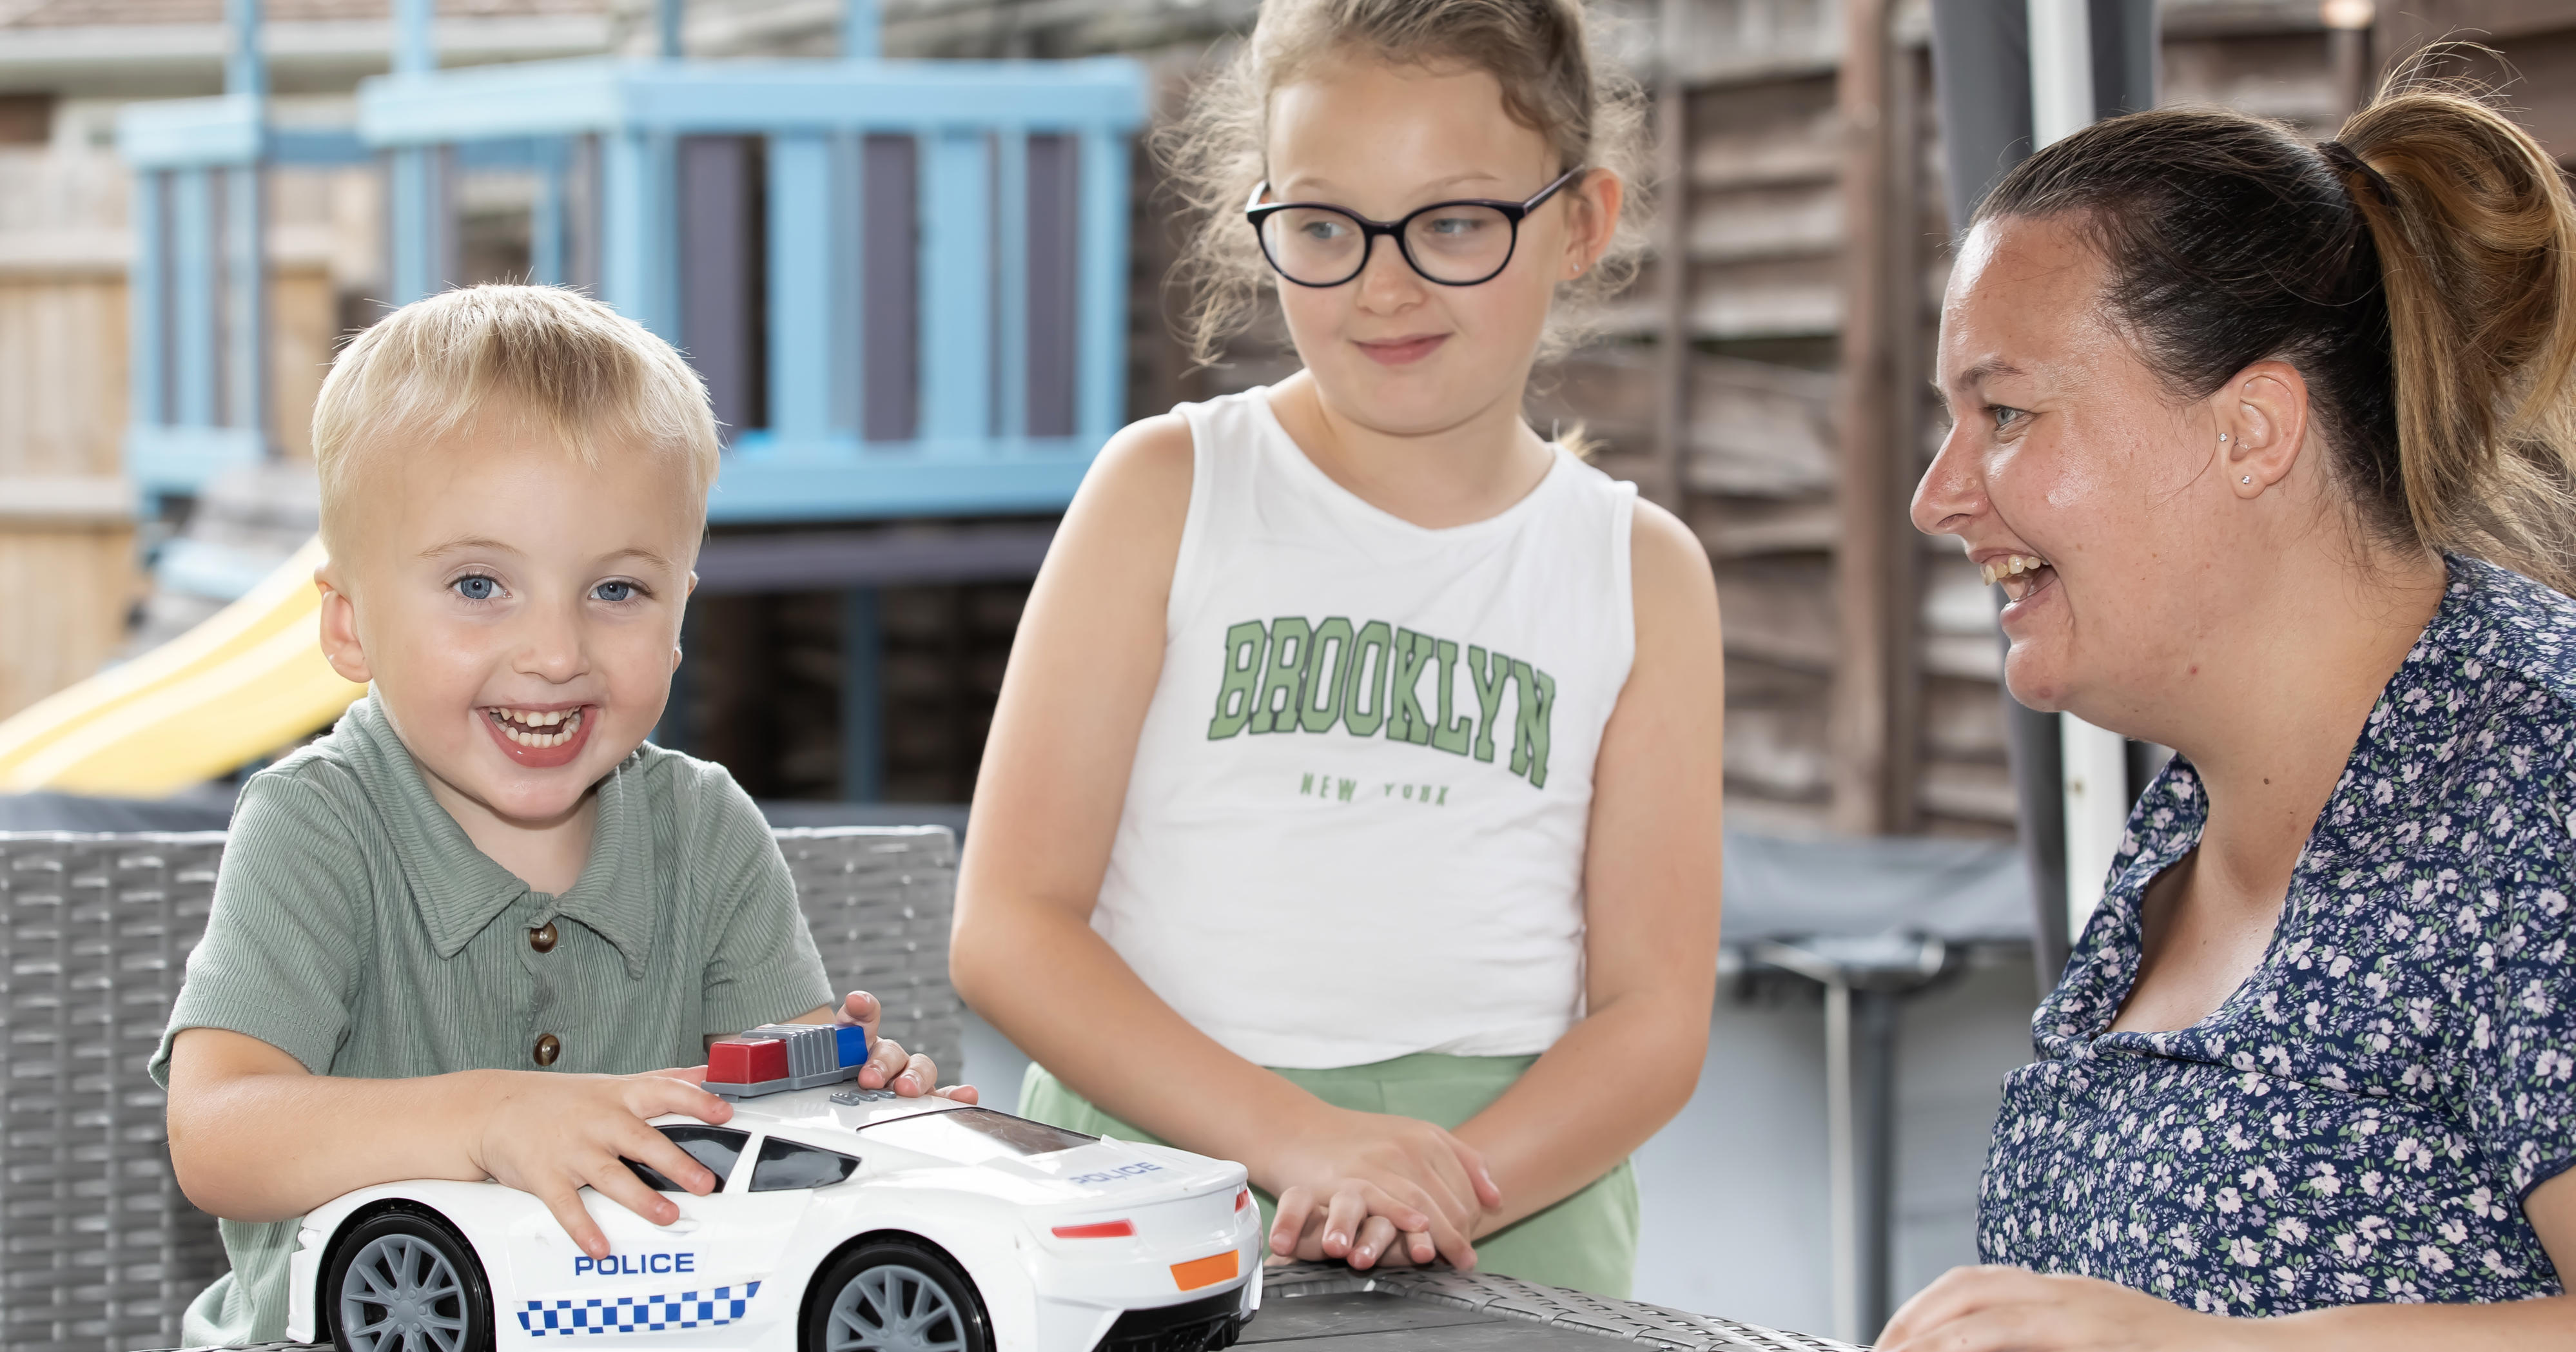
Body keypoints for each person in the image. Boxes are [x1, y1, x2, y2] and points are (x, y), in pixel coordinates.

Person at [946, 0, 1725, 1300]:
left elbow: (1653, 1017)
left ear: (1581, 221)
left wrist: (1427, 1192)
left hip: (1505, 1210)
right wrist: (1303, 1143)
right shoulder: (1165, 489)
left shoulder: (1642, 571)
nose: (1384, 281)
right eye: (1323, 224)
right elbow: (1011, 926)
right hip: (1152, 1181)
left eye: (1457, 221)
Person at [1877, 81, 2576, 1350]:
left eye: (2008, 413)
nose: (1938, 495)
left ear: (2253, 430)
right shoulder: (2193, 813)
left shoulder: (2541, 773)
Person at [154, 285, 965, 1347]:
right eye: (481, 584)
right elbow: (217, 1136)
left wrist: (856, 1096)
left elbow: (772, 1116)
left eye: (617, 591)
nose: (555, 651)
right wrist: (488, 1115)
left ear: (682, 619)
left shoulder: (706, 832)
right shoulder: (317, 829)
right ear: (350, 626)